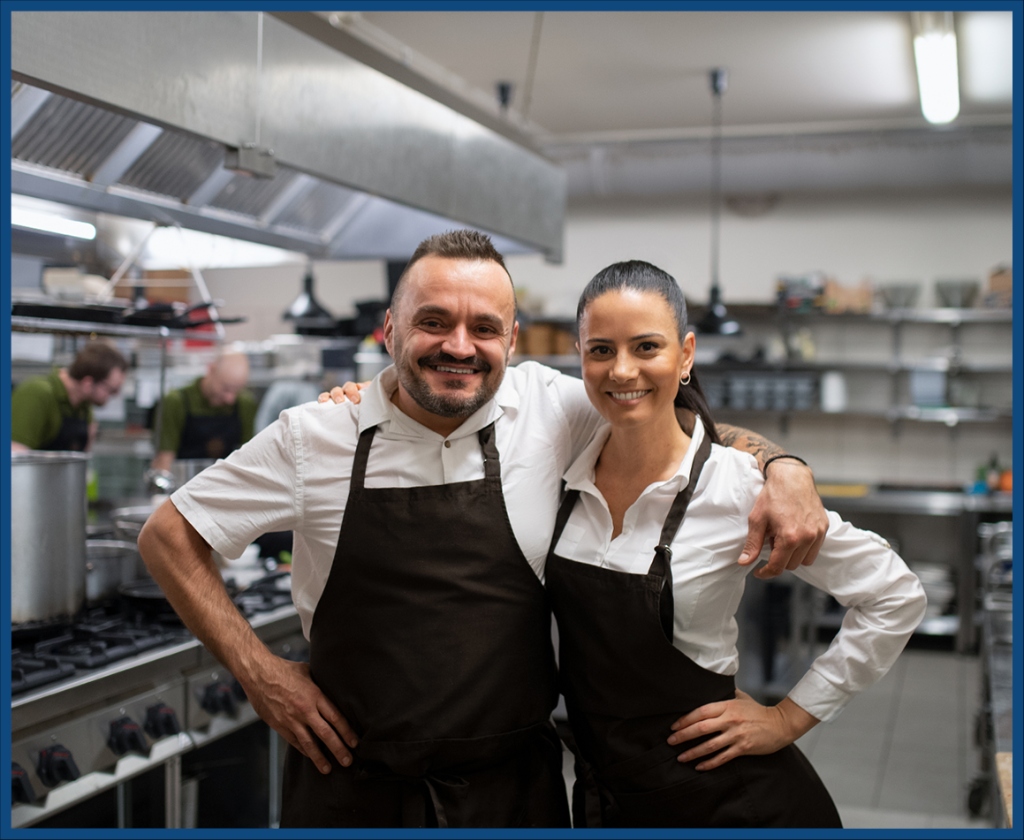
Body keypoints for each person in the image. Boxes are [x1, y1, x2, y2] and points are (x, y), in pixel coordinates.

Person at [138, 230, 828, 828]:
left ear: (513, 339)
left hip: (512, 794)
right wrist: (261, 674)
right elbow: (169, 534)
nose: (459, 347)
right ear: (389, 330)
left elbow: (683, 431)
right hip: (353, 793)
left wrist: (787, 467)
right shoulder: (315, 437)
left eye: (484, 328)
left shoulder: (553, 408)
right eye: (433, 322)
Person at [544, 260, 927, 827]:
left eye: (647, 346)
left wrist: (789, 719)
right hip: (610, 797)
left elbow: (894, 594)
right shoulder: (559, 465)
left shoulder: (736, 484)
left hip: (726, 803)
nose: (622, 370)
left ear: (687, 354)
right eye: (601, 350)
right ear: (580, 354)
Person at [11, 340, 128, 452]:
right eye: (112, 390)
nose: (115, 395)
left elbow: (82, 457)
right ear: (88, 383)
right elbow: (15, 453)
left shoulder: (84, 406)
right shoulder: (37, 394)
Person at [149, 351, 257, 471]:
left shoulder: (245, 404)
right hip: (184, 482)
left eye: (236, 391)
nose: (230, 399)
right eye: (226, 389)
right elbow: (164, 461)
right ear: (211, 370)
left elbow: (248, 458)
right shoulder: (176, 402)